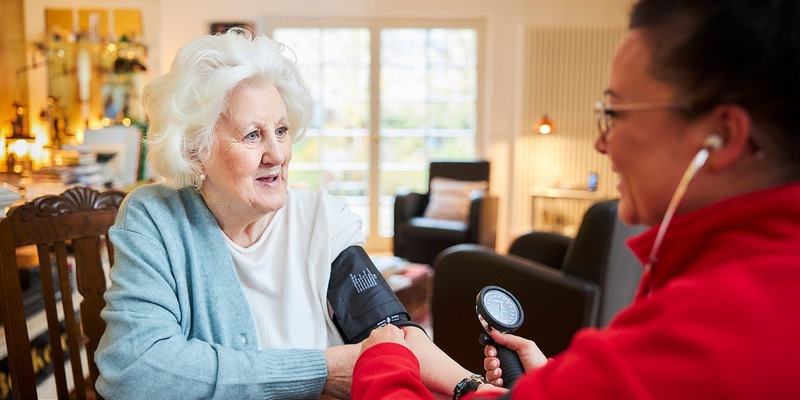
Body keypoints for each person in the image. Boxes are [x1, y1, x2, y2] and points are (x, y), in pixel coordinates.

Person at [351, 0, 800, 398]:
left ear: (722, 136)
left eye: (615, 113)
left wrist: (384, 360)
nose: (603, 145)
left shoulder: (698, 337)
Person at [94, 28, 480, 399]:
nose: (277, 155)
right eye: (252, 135)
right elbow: (134, 370)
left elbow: (392, 332)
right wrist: (321, 371)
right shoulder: (155, 219)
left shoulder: (322, 219)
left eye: (280, 130)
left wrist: (476, 389)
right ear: (196, 149)